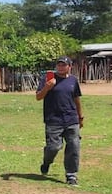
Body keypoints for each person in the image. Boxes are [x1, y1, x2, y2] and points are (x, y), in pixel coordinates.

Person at [36, 56, 83, 186]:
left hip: (71, 119)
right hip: (53, 120)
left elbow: (77, 99)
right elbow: (38, 97)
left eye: (64, 65)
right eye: (59, 65)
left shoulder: (73, 80)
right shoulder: (48, 79)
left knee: (74, 147)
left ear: (69, 66)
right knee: (54, 147)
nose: (61, 67)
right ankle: (46, 162)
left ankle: (71, 175)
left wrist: (80, 117)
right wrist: (47, 87)